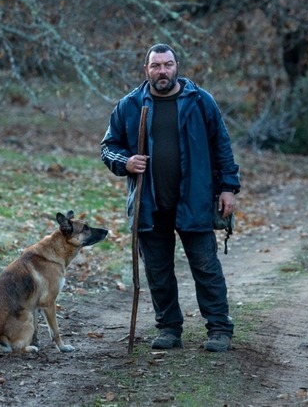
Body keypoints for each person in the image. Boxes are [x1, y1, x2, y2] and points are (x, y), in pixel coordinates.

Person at [100, 43, 241, 352]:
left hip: (195, 200)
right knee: (158, 270)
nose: (162, 71)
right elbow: (108, 146)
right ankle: (168, 328)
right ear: (146, 70)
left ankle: (219, 328)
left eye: (167, 64)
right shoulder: (130, 105)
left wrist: (228, 186)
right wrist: (125, 162)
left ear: (177, 66)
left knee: (206, 266)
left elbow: (222, 146)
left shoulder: (200, 102)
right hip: (150, 204)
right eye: (156, 66)